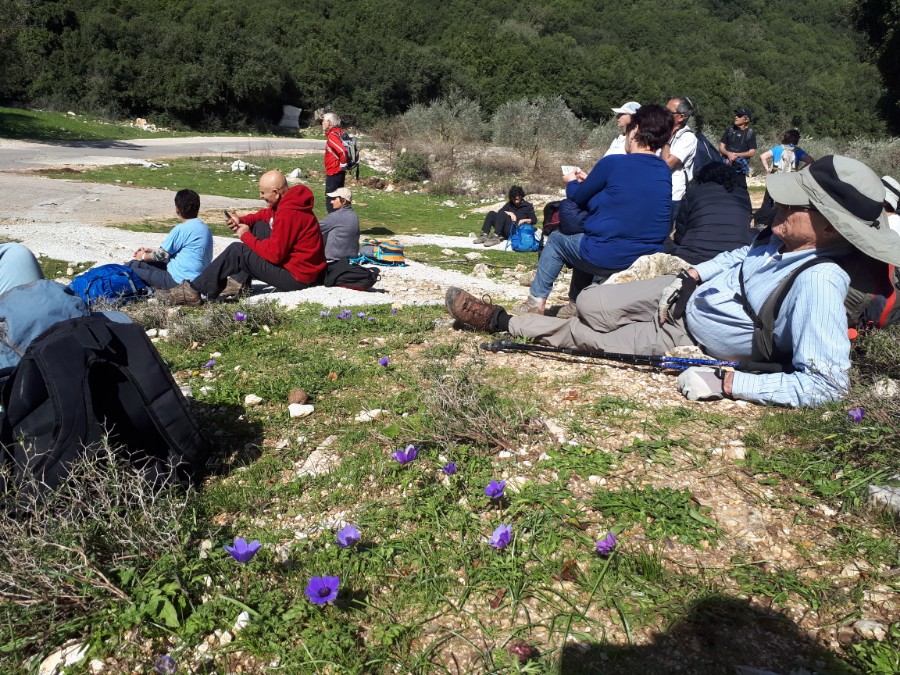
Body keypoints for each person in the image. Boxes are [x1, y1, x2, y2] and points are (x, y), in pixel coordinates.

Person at [444, 155, 900, 408]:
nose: (777, 206)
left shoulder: (819, 281)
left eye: (796, 203)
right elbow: (742, 253)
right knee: (593, 302)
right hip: (684, 293)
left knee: (582, 333)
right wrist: (695, 274)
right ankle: (571, 313)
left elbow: (825, 385)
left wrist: (730, 385)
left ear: (833, 226)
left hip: (688, 337)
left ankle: (502, 322)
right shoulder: (786, 240)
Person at [515, 104, 673, 316]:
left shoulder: (613, 163)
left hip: (609, 256)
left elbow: (577, 196)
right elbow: (625, 197)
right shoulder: (663, 169)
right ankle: (575, 304)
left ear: (634, 131)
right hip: (646, 256)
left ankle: (535, 303)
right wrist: (593, 182)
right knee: (587, 238)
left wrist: (571, 181)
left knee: (557, 240)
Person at [158, 170, 326, 306]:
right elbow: (264, 215)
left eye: (263, 193)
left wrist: (245, 235)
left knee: (237, 250)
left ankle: (193, 291)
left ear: (276, 192)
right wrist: (241, 221)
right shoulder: (288, 202)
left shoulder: (289, 213)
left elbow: (276, 254)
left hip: (297, 278)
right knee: (260, 225)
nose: (261, 196)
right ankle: (239, 283)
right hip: (302, 270)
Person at [663, 162, 754, 265]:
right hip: (736, 258)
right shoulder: (743, 195)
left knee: (663, 241)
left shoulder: (693, 194)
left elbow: (680, 233)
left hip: (695, 258)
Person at [127, 189, 212, 290]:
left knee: (131, 267)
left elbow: (161, 255)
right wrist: (150, 250)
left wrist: (143, 256)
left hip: (179, 281)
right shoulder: (204, 228)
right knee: (139, 265)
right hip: (198, 279)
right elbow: (173, 251)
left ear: (177, 209)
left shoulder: (182, 229)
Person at [756, 130, 815, 229]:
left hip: (774, 178)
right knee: (786, 202)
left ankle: (761, 223)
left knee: (768, 201)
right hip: (789, 180)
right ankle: (782, 222)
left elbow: (763, 156)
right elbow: (810, 161)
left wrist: (767, 169)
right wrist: (799, 172)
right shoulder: (797, 151)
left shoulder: (778, 148)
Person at [661, 97, 698, 225]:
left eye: (667, 111)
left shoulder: (687, 138)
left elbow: (667, 164)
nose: (663, 113)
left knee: (662, 236)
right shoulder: (662, 132)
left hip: (672, 195)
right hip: (655, 191)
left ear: (681, 117)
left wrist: (666, 139)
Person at [719, 107, 757, 187]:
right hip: (726, 166)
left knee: (740, 190)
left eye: (739, 116)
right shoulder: (729, 130)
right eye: (736, 115)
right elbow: (721, 147)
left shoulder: (750, 133)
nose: (736, 117)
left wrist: (737, 155)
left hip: (740, 169)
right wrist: (728, 154)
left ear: (746, 120)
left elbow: (752, 152)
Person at [319, 187, 361, 259]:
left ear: (343, 201)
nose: (332, 202)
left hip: (335, 257)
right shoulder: (354, 215)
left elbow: (315, 227)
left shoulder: (336, 216)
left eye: (335, 199)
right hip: (352, 256)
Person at [322, 112, 348, 213]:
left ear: (329, 123)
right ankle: (340, 220)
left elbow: (342, 151)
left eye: (323, 120)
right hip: (340, 173)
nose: (322, 123)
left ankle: (332, 222)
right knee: (339, 197)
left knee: (330, 198)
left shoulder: (332, 135)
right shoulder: (340, 132)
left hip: (334, 172)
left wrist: (342, 164)